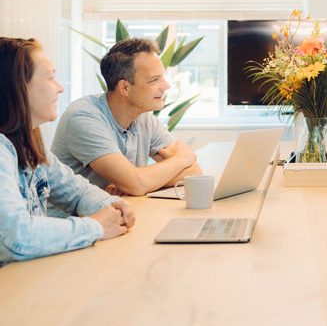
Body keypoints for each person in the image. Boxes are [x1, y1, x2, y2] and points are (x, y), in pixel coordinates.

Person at [0, 38, 135, 265]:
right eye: (51, 77)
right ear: (18, 86)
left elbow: (76, 191)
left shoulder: (29, 144)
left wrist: (111, 206)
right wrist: (96, 226)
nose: (60, 87)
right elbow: (16, 238)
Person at [52, 38, 201, 196]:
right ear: (125, 87)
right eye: (154, 80)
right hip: (78, 219)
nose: (166, 86)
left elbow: (193, 172)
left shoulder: (143, 117)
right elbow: (137, 184)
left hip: (121, 213)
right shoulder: (83, 117)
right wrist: (180, 159)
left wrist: (137, 181)